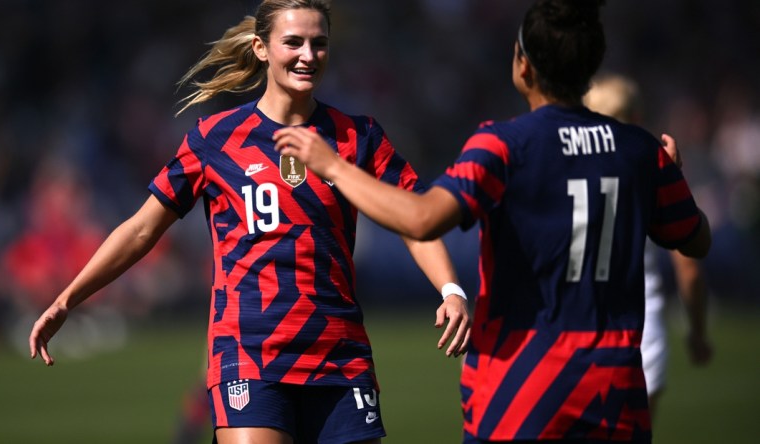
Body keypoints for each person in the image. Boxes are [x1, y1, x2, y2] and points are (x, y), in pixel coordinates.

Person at [29, 1, 472, 443]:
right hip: (249, 353)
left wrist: (450, 290)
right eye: (293, 42)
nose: (308, 55)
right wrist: (68, 298)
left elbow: (414, 217)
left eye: (319, 44)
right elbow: (142, 229)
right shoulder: (213, 139)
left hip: (340, 352)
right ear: (261, 48)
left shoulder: (360, 135)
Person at [274, 0, 712, 442]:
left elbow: (422, 219)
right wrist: (667, 178)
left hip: (522, 388)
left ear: (524, 66)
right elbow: (695, 240)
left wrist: (334, 167)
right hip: (614, 392)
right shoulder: (640, 150)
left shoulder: (503, 145)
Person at [583, 73, 713, 419]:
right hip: (639, 333)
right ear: (638, 118)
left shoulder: (567, 173)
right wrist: (698, 333)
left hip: (573, 331)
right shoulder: (651, 173)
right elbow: (690, 263)